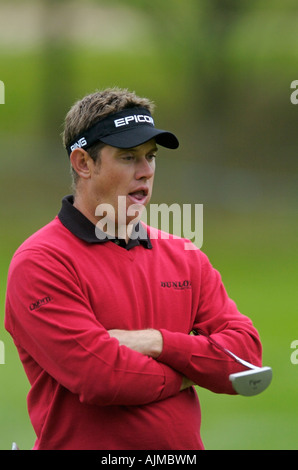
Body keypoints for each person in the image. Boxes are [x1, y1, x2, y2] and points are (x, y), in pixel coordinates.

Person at [5, 87, 262, 450]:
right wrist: (194, 370)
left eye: (151, 157)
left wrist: (156, 343)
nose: (145, 172)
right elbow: (103, 377)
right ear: (83, 163)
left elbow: (246, 359)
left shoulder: (184, 255)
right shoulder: (41, 262)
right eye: (128, 158)